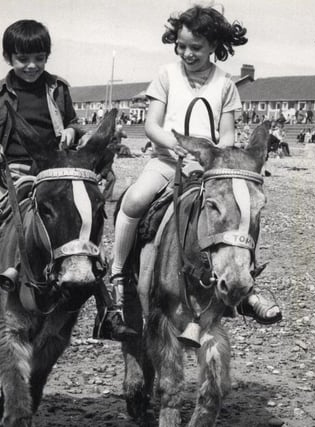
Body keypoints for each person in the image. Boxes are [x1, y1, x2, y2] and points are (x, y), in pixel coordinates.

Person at [102, 5, 282, 341]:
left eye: (195, 48)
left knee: (239, 210)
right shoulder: (167, 75)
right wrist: (176, 149)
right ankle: (118, 274)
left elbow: (227, 135)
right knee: (134, 202)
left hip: (209, 168)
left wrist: (211, 158)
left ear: (213, 46)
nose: (187, 53)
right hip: (166, 161)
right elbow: (152, 125)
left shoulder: (225, 84)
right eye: (181, 46)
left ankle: (246, 284)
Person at [0, 20, 119, 329]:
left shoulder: (58, 89)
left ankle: (107, 305)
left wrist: (70, 129)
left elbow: (75, 123)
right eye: (23, 59)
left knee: (82, 220)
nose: (31, 65)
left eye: (39, 58)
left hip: (50, 176)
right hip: (7, 175)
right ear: (8, 58)